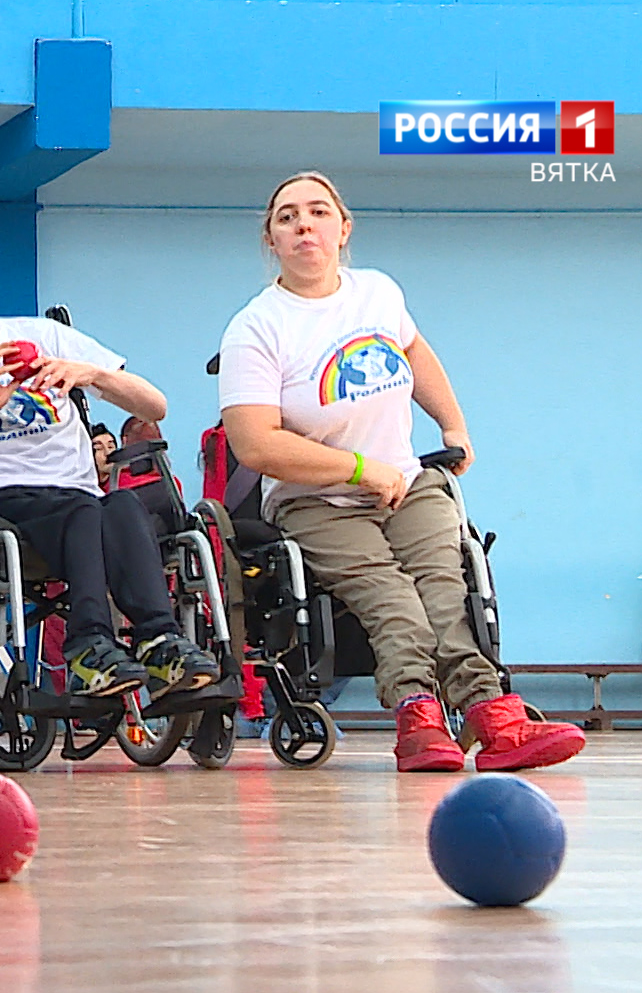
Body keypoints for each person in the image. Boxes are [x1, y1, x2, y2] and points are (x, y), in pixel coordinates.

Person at [218, 171, 583, 772]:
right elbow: (256, 444)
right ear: (272, 240)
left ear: (343, 227)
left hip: (407, 484)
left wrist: (453, 425)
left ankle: (494, 718)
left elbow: (415, 351)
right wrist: (361, 469)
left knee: (446, 592)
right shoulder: (256, 327)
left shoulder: (377, 293)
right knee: (393, 599)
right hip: (315, 498)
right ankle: (419, 719)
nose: (303, 225)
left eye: (317, 212)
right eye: (287, 217)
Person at [0, 248, 220, 698]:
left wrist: (90, 374)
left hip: (79, 494)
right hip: (1, 501)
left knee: (124, 502)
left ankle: (159, 639)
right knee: (85, 510)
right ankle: (88, 643)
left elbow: (155, 406)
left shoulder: (42, 334)